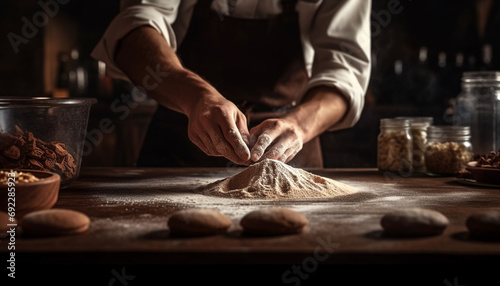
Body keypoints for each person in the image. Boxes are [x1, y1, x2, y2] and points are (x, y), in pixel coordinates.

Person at [91, 0, 371, 168]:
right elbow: (132, 31)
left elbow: (345, 67)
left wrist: (299, 124)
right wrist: (196, 96)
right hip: (182, 143)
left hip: (290, 154)